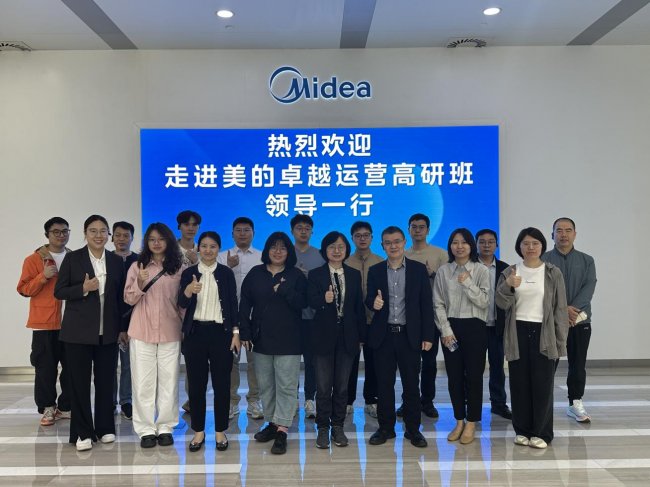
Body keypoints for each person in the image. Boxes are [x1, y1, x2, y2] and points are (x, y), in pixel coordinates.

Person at [54, 215, 127, 451]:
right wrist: (83, 288)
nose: (98, 235)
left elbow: (120, 299)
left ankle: (105, 428)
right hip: (77, 333)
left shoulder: (115, 261)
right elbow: (59, 291)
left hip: (108, 333)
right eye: (93, 231)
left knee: (106, 382)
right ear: (85, 234)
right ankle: (82, 432)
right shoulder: (73, 258)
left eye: (103, 231)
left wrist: (123, 329)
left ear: (108, 235)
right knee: (79, 384)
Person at [496, 227, 569, 449]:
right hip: (517, 331)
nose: (530, 247)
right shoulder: (510, 272)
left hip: (544, 332)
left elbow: (560, 309)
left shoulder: (552, 272)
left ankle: (541, 433)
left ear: (542, 246)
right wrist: (508, 286)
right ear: (519, 246)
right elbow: (501, 303)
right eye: (526, 243)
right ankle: (522, 430)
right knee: (519, 383)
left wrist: (560, 341)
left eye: (535, 243)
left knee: (542, 384)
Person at [239, 232, 307, 455]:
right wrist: (244, 332)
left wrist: (285, 290)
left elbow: (303, 303)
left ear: (289, 252)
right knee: (266, 384)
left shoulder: (296, 275)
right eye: (273, 247)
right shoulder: (256, 273)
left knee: (286, 385)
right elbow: (245, 303)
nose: (278, 252)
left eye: (283, 248)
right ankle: (271, 422)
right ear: (267, 250)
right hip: (261, 338)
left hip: (290, 339)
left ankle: (282, 429)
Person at [366, 226, 434, 448]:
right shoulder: (375, 270)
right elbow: (369, 299)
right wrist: (373, 303)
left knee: (411, 385)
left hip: (409, 336)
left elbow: (426, 304)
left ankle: (413, 430)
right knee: (384, 386)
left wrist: (428, 335)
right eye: (388, 242)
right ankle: (386, 428)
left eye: (396, 241)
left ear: (404, 242)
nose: (393, 246)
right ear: (382, 246)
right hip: (384, 336)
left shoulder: (418, 269)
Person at [124, 222, 184, 448]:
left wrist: (186, 329)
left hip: (170, 330)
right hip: (142, 331)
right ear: (146, 242)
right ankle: (146, 429)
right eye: (152, 239)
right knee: (143, 383)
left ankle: (166, 426)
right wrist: (140, 282)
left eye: (161, 239)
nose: (156, 243)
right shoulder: (137, 266)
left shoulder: (179, 268)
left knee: (169, 382)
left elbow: (182, 303)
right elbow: (129, 299)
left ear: (169, 241)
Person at [178, 231, 239, 452]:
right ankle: (198, 432)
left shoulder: (226, 273)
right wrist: (188, 290)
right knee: (196, 385)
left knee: (222, 384)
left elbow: (232, 304)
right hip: (195, 333)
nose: (208, 250)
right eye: (204, 246)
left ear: (218, 249)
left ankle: (220, 431)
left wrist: (236, 333)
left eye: (213, 246)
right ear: (198, 248)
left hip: (221, 333)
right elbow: (181, 302)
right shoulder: (189, 273)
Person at [308, 231, 365, 449]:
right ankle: (323, 428)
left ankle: (338, 427)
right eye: (332, 246)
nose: (337, 250)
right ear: (325, 250)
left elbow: (358, 308)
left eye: (341, 246)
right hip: (323, 336)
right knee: (323, 387)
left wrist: (361, 337)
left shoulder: (353, 274)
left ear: (346, 250)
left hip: (348, 337)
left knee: (342, 386)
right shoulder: (315, 274)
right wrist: (324, 299)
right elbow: (310, 301)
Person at [433, 228, 490, 445]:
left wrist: (467, 283)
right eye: (455, 242)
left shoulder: (481, 270)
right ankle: (459, 420)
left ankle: (472, 422)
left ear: (471, 245)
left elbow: (484, 302)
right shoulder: (443, 271)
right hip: (451, 328)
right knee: (454, 377)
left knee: (474, 377)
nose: (459, 246)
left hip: (475, 327)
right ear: (450, 246)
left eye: (464, 242)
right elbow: (438, 303)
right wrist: (445, 330)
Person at [17, 217, 72, 427]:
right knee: (45, 369)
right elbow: (24, 289)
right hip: (44, 324)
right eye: (56, 232)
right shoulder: (33, 260)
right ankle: (47, 407)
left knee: (72, 368)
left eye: (65, 231)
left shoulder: (74, 257)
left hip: (71, 323)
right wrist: (43, 276)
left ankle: (66, 406)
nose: (61, 235)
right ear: (47, 235)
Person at [542, 218, 597, 423]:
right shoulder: (543, 260)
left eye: (568, 230)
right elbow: (542, 290)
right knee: (547, 363)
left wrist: (570, 312)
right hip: (551, 322)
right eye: (559, 230)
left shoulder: (587, 260)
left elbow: (589, 287)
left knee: (577, 364)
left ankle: (575, 403)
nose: (563, 234)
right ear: (552, 235)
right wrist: (561, 310)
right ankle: (543, 403)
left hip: (579, 321)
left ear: (575, 234)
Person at [218, 216, 263, 420]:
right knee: (230, 362)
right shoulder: (221, 257)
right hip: (228, 317)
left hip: (254, 317)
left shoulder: (262, 257)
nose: (242, 234)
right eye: (238, 230)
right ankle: (231, 401)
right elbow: (215, 284)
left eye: (246, 230)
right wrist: (229, 267)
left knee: (255, 362)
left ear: (253, 233)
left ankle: (254, 400)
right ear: (232, 233)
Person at [403, 213, 448, 419]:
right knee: (409, 363)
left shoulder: (440, 254)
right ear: (409, 230)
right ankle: (408, 401)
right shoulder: (403, 254)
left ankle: (427, 401)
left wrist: (432, 274)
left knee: (429, 363)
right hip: (408, 316)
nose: (418, 230)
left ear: (428, 230)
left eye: (421, 227)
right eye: (414, 227)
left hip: (432, 314)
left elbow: (448, 284)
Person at [345, 221, 382, 418]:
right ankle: (347, 401)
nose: (362, 239)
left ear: (372, 237)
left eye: (366, 235)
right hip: (351, 322)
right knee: (349, 363)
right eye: (358, 235)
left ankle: (371, 400)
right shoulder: (345, 262)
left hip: (374, 321)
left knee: (373, 363)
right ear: (352, 238)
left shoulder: (380, 261)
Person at [291, 214, 325, 419]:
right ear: (292, 231)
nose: (303, 231)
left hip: (314, 318)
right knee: (291, 361)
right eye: (299, 228)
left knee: (312, 361)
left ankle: (310, 399)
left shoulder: (320, 255)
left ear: (312, 231)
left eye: (307, 228)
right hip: (291, 318)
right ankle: (292, 398)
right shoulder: (286, 254)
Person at [476, 229, 512, 420]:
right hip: (475, 327)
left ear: (496, 245)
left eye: (490, 242)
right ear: (476, 244)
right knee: (473, 368)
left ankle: (498, 404)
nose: (486, 245)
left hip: (497, 326)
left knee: (497, 367)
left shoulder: (506, 269)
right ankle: (471, 404)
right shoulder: (470, 267)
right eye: (482, 242)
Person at [111, 221, 138, 421]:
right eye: (118, 235)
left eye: (126, 235)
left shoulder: (139, 261)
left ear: (132, 238)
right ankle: (110, 401)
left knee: (129, 365)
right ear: (112, 237)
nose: (121, 239)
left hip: (133, 321)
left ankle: (127, 401)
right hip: (108, 321)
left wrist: (126, 327)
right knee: (108, 365)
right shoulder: (105, 259)